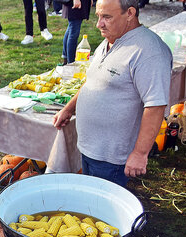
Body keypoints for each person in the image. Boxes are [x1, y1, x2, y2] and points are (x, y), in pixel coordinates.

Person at [52, 0, 171, 187]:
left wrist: (140, 154)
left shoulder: (149, 51)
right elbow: (93, 81)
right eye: (98, 16)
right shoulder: (111, 39)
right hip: (90, 148)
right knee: (88, 202)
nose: (99, 24)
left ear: (130, 13)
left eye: (106, 17)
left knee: (99, 209)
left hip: (113, 158)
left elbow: (155, 105)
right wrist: (69, 109)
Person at [61, 0, 91, 65]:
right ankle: (71, 63)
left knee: (71, 28)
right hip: (75, 3)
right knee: (73, 32)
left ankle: (66, 59)